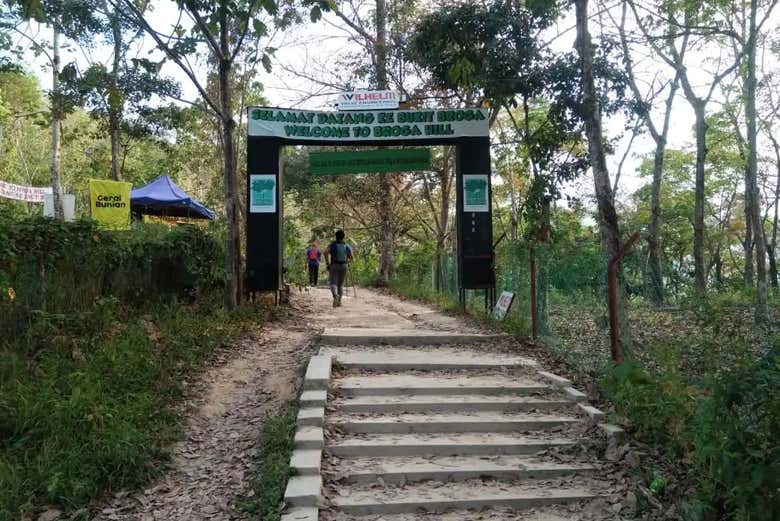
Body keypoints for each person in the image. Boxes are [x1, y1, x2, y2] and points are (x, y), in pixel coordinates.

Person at [324, 229, 353, 307]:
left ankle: (335, 295)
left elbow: (325, 252)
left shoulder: (332, 245)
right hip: (344, 265)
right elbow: (351, 257)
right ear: (343, 237)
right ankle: (339, 302)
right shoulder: (346, 245)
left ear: (336, 236)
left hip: (334, 265)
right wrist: (347, 260)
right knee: (340, 284)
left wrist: (327, 263)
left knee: (333, 283)